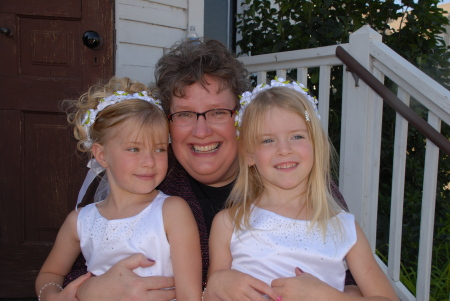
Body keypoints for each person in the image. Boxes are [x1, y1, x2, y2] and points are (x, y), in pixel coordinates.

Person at [67, 40, 360, 301]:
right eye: (184, 114)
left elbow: (350, 282)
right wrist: (85, 291)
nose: (201, 130)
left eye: (218, 112)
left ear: (243, 120)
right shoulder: (139, 178)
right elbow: (71, 271)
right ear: (167, 123)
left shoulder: (294, 180)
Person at [207, 79, 399, 301]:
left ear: (316, 144)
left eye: (297, 136)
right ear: (250, 154)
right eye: (268, 140)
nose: (284, 150)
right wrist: (215, 285)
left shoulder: (344, 228)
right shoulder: (230, 223)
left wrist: (326, 296)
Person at [35, 77, 202, 301]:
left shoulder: (172, 211)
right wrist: (54, 296)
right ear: (102, 155)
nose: (149, 161)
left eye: (160, 149)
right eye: (134, 148)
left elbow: (190, 294)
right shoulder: (80, 221)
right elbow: (50, 274)